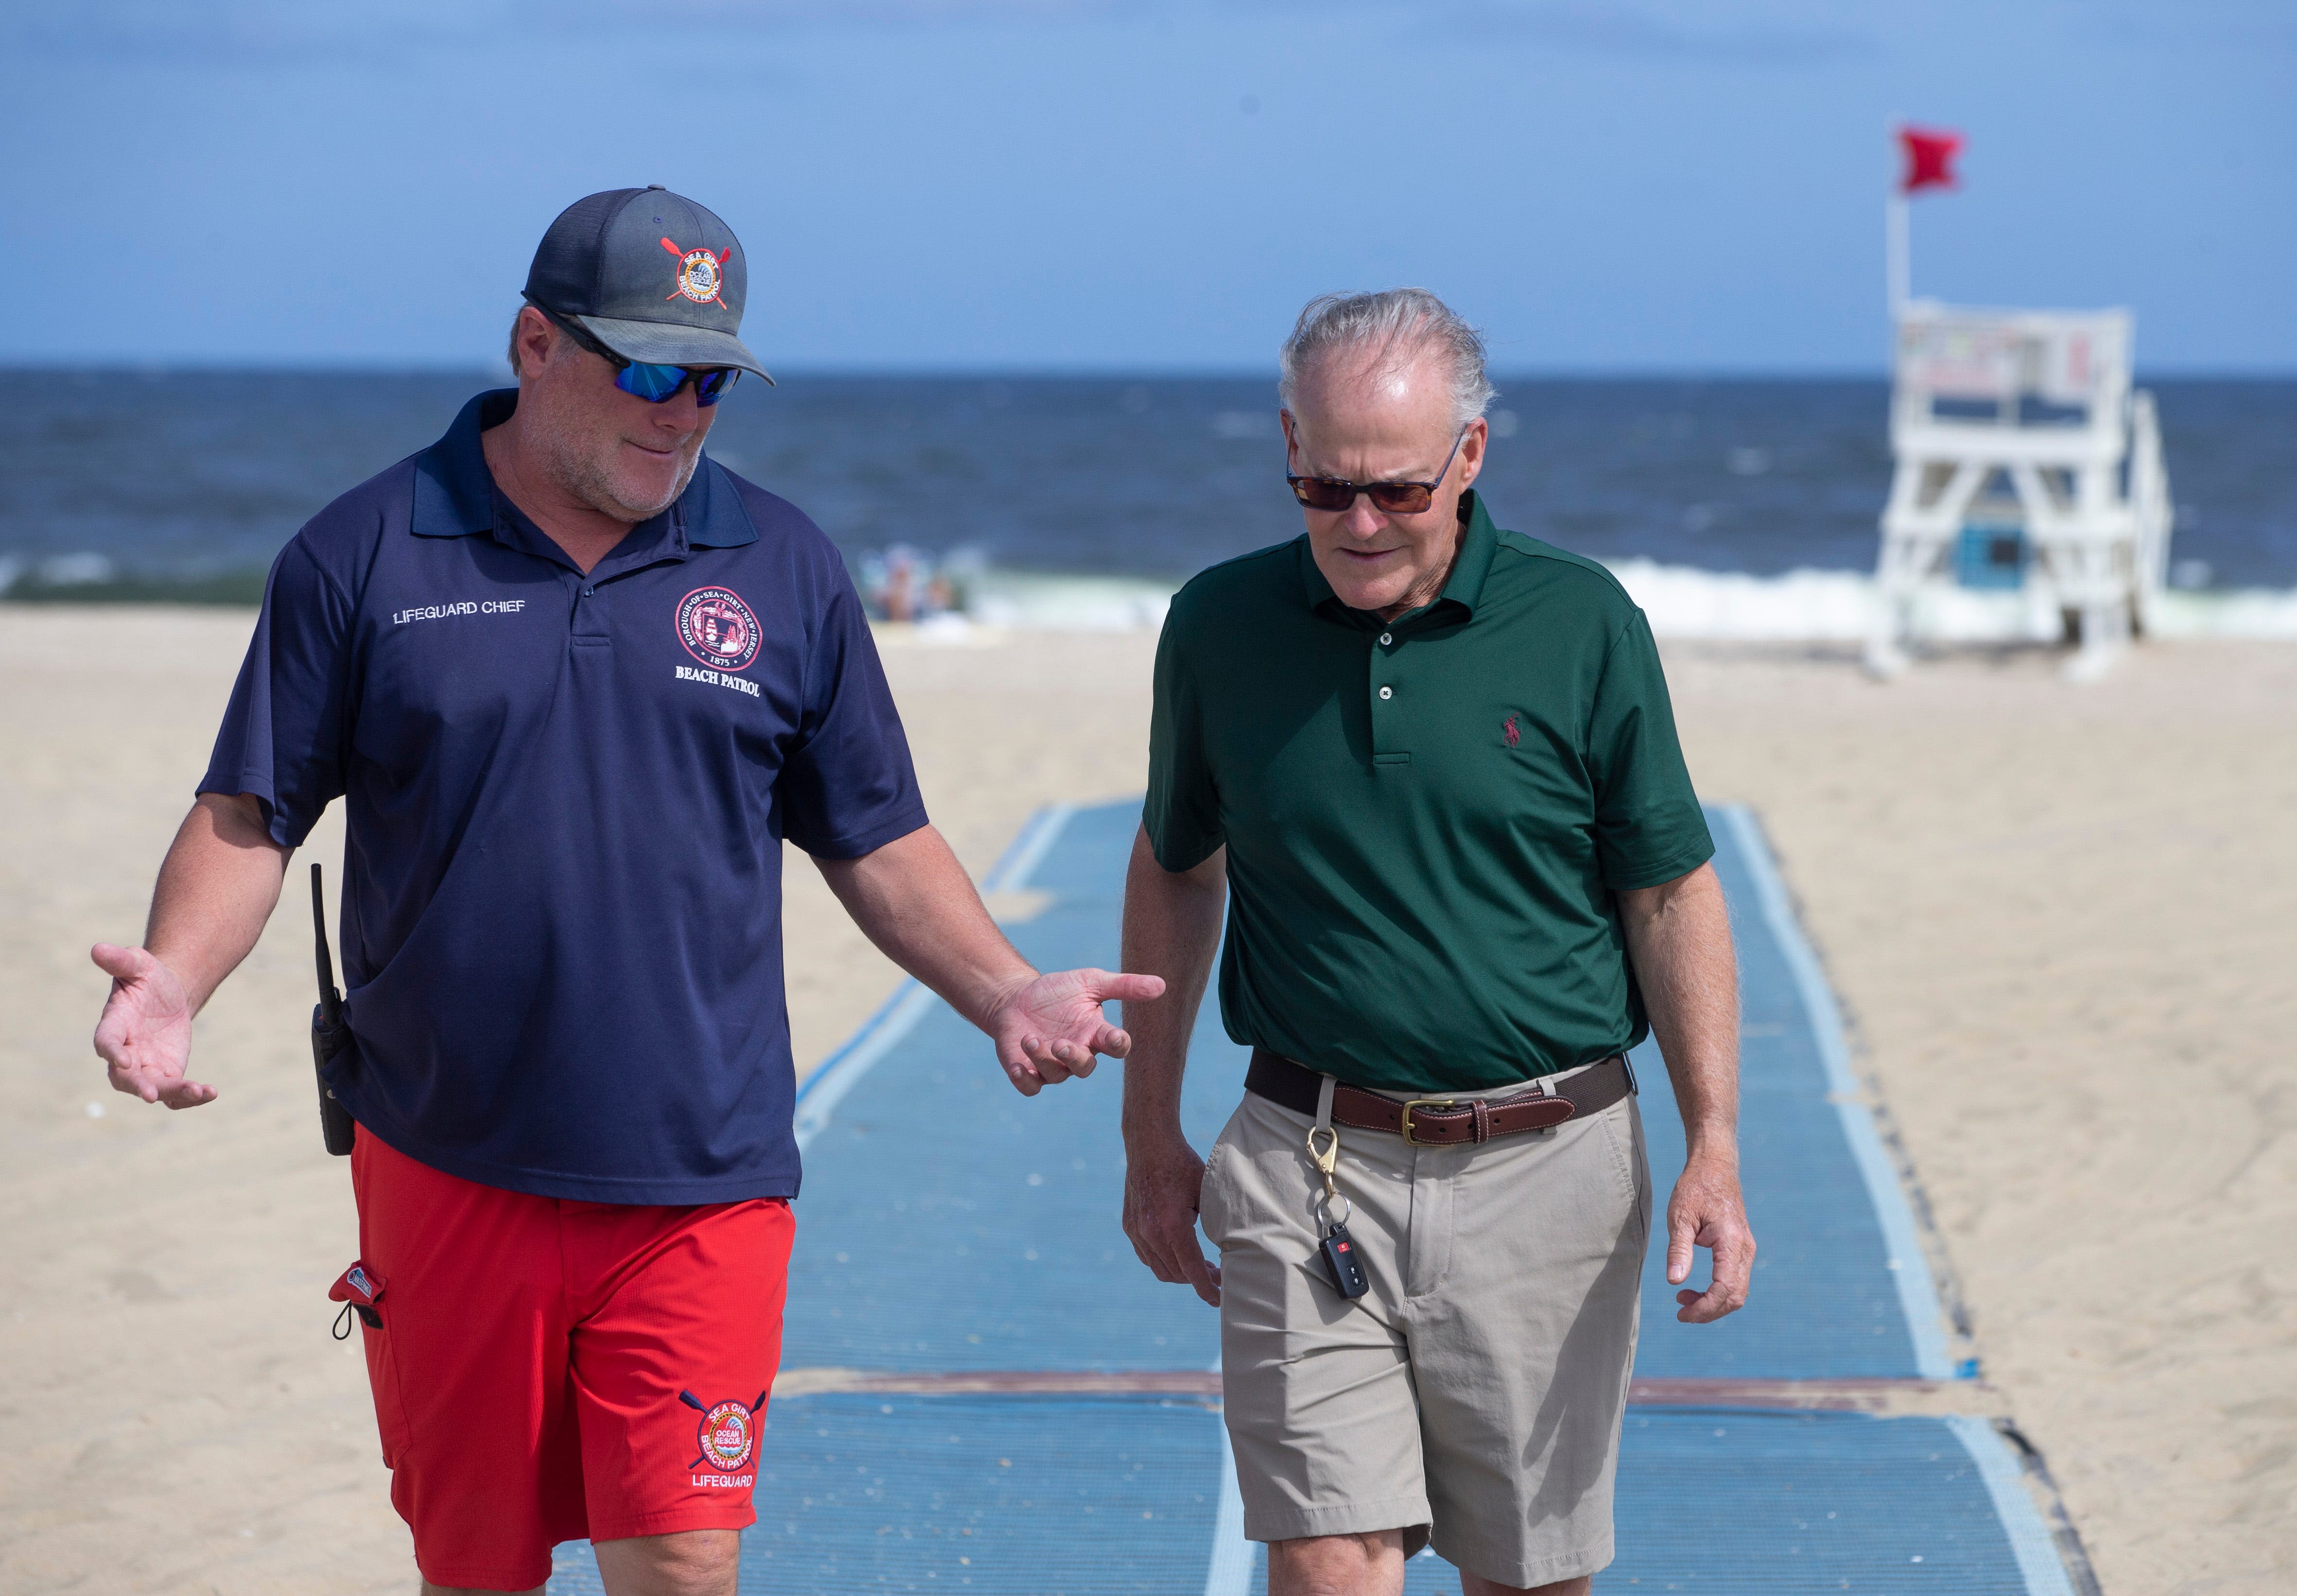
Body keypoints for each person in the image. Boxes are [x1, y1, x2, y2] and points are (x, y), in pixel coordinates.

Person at [88, 187, 1161, 1596]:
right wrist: (176, 978)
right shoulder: (362, 556)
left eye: (711, 378)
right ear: (536, 343)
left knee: (680, 1562)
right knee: (478, 1570)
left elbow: (876, 836)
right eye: (648, 368)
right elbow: (250, 812)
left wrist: (1005, 988)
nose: (683, 411)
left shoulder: (781, 566)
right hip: (444, 1151)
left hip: (698, 1169)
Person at [1119, 289, 1752, 1596]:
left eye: (1398, 493)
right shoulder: (1218, 627)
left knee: (1531, 1578)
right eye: (1325, 485)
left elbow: (1671, 893)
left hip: (1551, 1171)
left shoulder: (1583, 624)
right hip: (1310, 1167)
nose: (1357, 524)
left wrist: (1717, 1147)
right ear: (1288, 442)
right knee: (1329, 1559)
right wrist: (1149, 1133)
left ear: (1471, 452)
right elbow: (1179, 869)